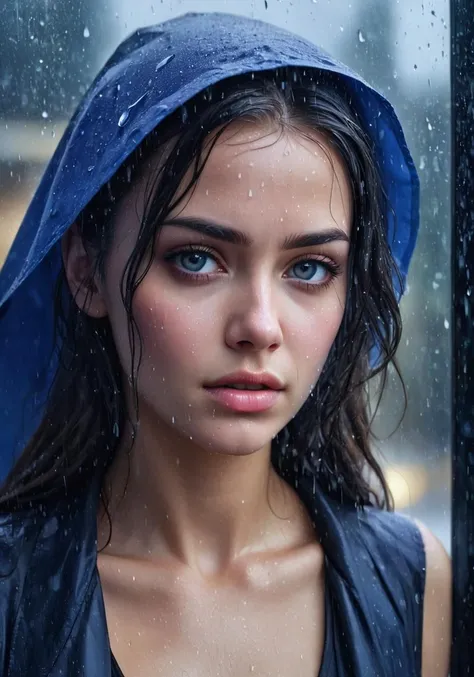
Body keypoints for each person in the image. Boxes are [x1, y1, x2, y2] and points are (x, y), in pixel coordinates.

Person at [0, 11, 451, 677]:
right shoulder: (13, 600)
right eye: (197, 259)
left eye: (309, 269)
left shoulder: (414, 589)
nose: (259, 326)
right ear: (85, 270)